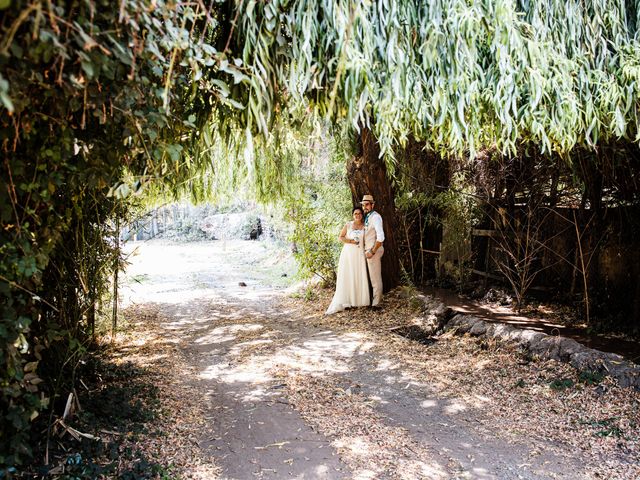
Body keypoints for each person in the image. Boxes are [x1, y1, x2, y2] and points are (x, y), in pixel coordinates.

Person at [325, 206, 370, 314]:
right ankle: (347, 301)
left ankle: (358, 300)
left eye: (359, 213)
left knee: (358, 274)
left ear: (362, 215)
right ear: (352, 215)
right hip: (348, 253)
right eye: (355, 214)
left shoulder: (365, 226)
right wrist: (350, 241)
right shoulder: (348, 225)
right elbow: (340, 237)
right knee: (348, 275)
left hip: (359, 254)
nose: (357, 215)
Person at [361, 194, 384, 307]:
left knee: (375, 278)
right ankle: (374, 300)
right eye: (363, 205)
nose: (365, 207)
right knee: (372, 277)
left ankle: (377, 303)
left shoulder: (375, 217)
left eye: (367, 204)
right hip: (369, 251)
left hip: (374, 251)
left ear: (372, 205)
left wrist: (372, 251)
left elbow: (381, 237)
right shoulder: (368, 217)